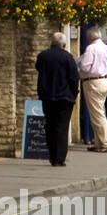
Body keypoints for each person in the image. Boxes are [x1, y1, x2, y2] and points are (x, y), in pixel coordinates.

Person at [36, 31, 79, 167]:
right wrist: (74, 94)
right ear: (64, 45)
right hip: (64, 98)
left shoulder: (42, 56)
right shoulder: (68, 58)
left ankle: (52, 156)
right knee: (62, 127)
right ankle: (59, 158)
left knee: (50, 125)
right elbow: (74, 78)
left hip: (47, 96)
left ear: (51, 43)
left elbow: (38, 68)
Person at [77, 27, 107, 152]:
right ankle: (99, 142)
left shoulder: (91, 48)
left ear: (89, 37)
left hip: (93, 83)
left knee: (97, 114)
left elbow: (86, 67)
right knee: (97, 113)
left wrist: (80, 67)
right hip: (105, 80)